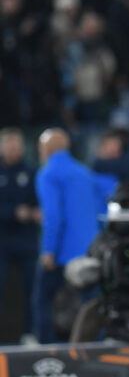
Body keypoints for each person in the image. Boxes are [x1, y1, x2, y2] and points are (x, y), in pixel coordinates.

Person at [34, 128, 100, 344]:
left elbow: (53, 216)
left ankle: (46, 351)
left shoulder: (48, 173)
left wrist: (49, 250)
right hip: (89, 250)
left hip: (63, 252)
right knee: (91, 304)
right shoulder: (83, 172)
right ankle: (93, 348)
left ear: (46, 149)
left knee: (43, 301)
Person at [0, 128, 39, 341]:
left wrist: (36, 212)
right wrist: (13, 213)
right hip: (2, 242)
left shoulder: (32, 172)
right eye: (10, 146)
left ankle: (29, 333)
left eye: (18, 146)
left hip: (26, 242)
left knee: (31, 290)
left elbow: (40, 203)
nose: (15, 151)